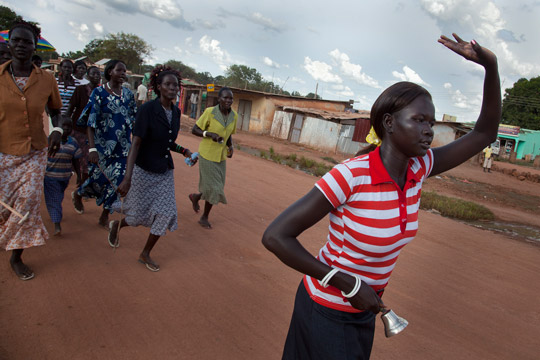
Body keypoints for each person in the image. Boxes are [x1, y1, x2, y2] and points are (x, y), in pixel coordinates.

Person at [262, 33, 500, 360]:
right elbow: (276, 236)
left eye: (431, 122)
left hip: (361, 309)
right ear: (389, 122)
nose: (429, 130)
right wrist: (346, 283)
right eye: (419, 120)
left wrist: (491, 65)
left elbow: (485, 133)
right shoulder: (352, 175)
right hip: (327, 309)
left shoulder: (420, 167)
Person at [109, 65, 196, 272]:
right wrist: (127, 178)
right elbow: (136, 143)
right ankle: (117, 225)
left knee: (165, 212)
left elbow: (166, 141)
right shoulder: (147, 110)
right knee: (138, 214)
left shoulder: (176, 113)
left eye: (176, 85)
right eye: (168, 84)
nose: (173, 88)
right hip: (143, 169)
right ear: (158, 87)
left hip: (164, 171)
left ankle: (145, 253)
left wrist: (184, 151)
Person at [0, 20, 63, 280]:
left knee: (26, 205)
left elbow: (55, 110)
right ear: (9, 43)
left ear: (34, 44)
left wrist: (57, 130)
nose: (21, 45)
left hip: (35, 152)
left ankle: (16, 256)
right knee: (4, 207)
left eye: (27, 41)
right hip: (3, 150)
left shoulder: (47, 79)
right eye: (17, 40)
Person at [71, 60, 136, 228]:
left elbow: (134, 120)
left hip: (122, 147)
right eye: (119, 70)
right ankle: (79, 193)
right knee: (98, 179)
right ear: (109, 72)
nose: (123, 73)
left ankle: (105, 215)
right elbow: (90, 122)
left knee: (118, 181)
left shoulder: (128, 95)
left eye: (124, 71)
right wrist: (92, 148)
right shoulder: (99, 93)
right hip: (101, 146)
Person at [189, 87, 237, 229]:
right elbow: (194, 129)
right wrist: (209, 134)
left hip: (221, 157)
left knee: (216, 185)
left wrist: (230, 146)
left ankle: (196, 197)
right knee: (215, 188)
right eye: (225, 98)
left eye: (230, 98)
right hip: (207, 154)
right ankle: (204, 217)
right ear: (219, 99)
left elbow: (229, 135)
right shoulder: (210, 112)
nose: (228, 101)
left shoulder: (234, 116)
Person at [44, 117, 82, 236]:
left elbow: (76, 161)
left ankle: (55, 213)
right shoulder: (50, 140)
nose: (66, 129)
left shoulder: (73, 142)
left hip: (65, 177)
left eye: (68, 127)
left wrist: (79, 176)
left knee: (58, 197)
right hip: (50, 177)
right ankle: (57, 224)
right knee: (54, 199)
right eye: (63, 126)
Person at [66, 65, 102, 185]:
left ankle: (84, 182)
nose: (96, 76)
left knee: (88, 157)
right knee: (77, 155)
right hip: (78, 129)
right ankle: (79, 177)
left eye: (98, 74)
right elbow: (71, 107)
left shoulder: (101, 92)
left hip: (92, 131)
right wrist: (65, 123)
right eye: (93, 74)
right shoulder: (80, 90)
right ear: (88, 76)